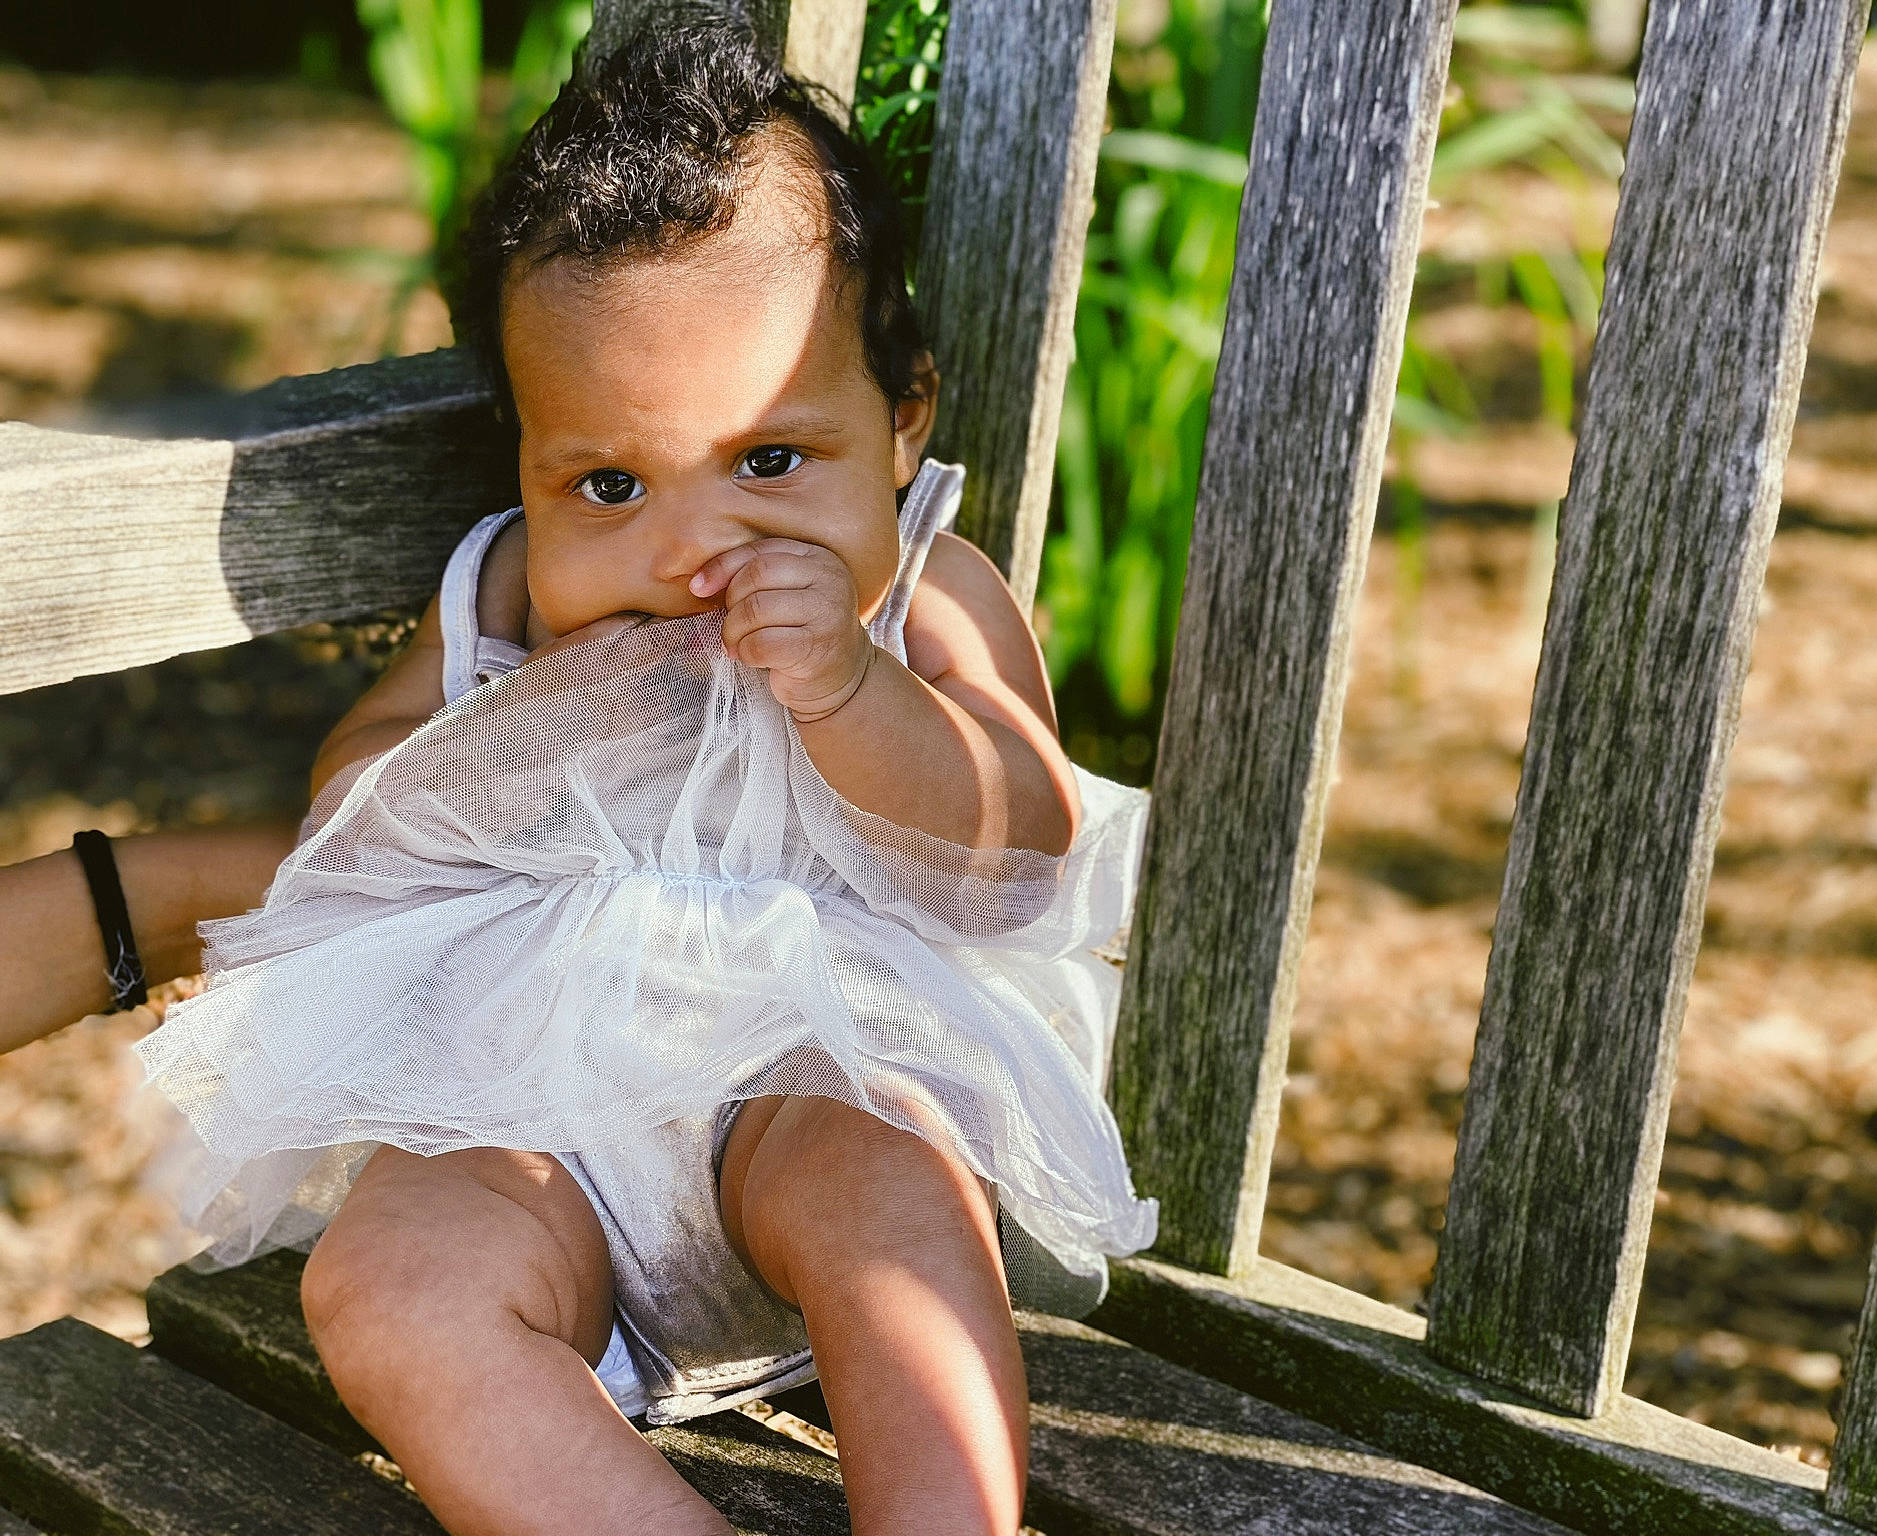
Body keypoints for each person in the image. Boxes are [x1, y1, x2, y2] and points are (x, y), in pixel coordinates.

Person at [108, 18, 1155, 1536]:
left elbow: (1023, 834)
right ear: (528, 467)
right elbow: (356, 809)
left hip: (806, 1090)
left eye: (771, 462)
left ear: (902, 417)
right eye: (611, 483)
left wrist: (856, 692)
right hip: (518, 1117)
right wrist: (518, 730)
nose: (692, 546)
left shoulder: (920, 593)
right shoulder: (505, 601)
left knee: (902, 1199)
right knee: (385, 1289)